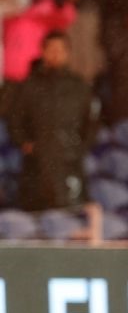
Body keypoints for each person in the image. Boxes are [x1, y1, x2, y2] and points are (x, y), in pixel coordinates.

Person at [8, 31, 97, 211]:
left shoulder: (79, 86)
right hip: (37, 163)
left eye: (60, 50)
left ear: (67, 53)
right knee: (35, 214)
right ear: (43, 52)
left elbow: (92, 122)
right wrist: (24, 143)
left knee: (70, 212)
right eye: (51, 49)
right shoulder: (29, 85)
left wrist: (80, 147)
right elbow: (15, 119)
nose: (56, 54)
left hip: (69, 163)